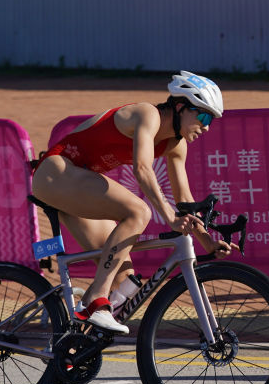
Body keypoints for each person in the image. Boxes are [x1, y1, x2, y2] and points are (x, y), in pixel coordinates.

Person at [32, 71, 234, 334]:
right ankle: (96, 302)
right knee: (139, 211)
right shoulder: (147, 115)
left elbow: (184, 200)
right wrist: (169, 216)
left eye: (212, 121)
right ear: (181, 108)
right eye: (204, 117)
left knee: (123, 278)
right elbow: (142, 168)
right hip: (56, 171)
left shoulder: (176, 145)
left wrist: (207, 241)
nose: (206, 127)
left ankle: (74, 340)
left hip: (78, 181)